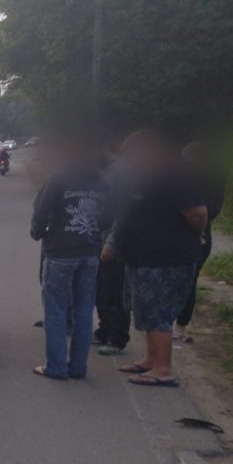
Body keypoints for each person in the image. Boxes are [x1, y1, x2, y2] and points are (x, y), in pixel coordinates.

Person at [105, 129, 208, 387]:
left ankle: (163, 369)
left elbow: (197, 212)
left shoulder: (174, 176)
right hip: (145, 258)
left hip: (165, 258)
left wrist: (198, 234)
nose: (130, 160)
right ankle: (151, 360)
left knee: (158, 312)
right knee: (147, 312)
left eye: (133, 154)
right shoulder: (148, 176)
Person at [30, 133, 110, 380]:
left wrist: (39, 233)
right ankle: (78, 367)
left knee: (55, 309)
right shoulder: (102, 182)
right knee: (84, 311)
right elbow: (110, 215)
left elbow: (41, 213)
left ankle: (56, 367)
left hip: (60, 252)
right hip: (89, 252)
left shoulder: (58, 179)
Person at [174, 141, 225, 342]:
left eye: (193, 162)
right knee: (171, 279)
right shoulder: (177, 177)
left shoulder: (214, 180)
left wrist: (195, 220)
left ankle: (181, 326)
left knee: (190, 279)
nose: (190, 166)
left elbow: (214, 208)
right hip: (174, 234)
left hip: (199, 235)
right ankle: (164, 322)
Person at [94, 135, 133, 355]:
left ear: (104, 146)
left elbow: (123, 212)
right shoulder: (107, 170)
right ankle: (104, 329)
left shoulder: (123, 173)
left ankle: (117, 337)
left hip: (115, 242)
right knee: (102, 290)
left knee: (114, 291)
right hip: (101, 238)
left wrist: (111, 243)